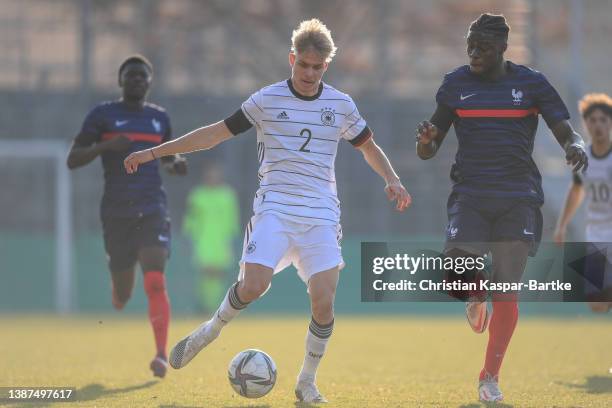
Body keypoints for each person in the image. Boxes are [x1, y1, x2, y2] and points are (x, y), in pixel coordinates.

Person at [125, 19, 411, 403]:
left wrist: (391, 178)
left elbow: (368, 147)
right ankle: (210, 330)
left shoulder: (341, 105)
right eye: (303, 65)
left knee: (324, 301)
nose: (309, 73)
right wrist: (155, 151)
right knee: (254, 285)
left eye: (317, 67)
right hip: (275, 209)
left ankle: (306, 382)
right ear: (292, 58)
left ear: (327, 65)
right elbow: (215, 132)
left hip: (321, 215)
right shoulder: (267, 100)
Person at [415, 14, 587, 402]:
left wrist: (573, 145)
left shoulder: (531, 83)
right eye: (470, 46)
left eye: (483, 47)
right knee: (456, 275)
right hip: (471, 195)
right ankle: (474, 299)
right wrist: (425, 142)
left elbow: (564, 126)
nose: (474, 53)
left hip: (518, 197)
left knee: (507, 290)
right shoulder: (455, 84)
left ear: (503, 48)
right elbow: (428, 149)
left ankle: (489, 377)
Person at [66, 54, 187, 378]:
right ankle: (119, 288)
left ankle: (161, 355)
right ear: (120, 81)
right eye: (130, 75)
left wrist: (174, 164)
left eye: (142, 76)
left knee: (155, 279)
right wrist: (105, 147)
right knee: (124, 293)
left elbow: (166, 156)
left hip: (152, 208)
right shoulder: (102, 115)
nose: (136, 80)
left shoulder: (159, 119)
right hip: (116, 211)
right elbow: (73, 159)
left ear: (149, 83)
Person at [554, 93, 612, 313]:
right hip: (596, 235)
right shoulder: (583, 157)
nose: (597, 125)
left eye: (603, 120)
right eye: (592, 120)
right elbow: (577, 189)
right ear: (585, 124)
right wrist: (561, 225)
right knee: (596, 304)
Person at [182, 162, 240, 313]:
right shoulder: (197, 195)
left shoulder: (227, 194)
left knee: (219, 273)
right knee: (205, 272)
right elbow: (191, 218)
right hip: (203, 239)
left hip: (221, 239)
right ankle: (205, 305)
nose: (212, 178)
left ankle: (217, 306)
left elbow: (232, 218)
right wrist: (189, 234)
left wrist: (232, 237)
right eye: (209, 175)